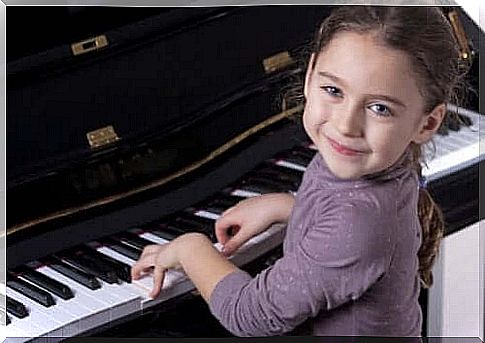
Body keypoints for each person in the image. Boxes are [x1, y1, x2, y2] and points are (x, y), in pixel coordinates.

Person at [131, 6, 470, 337]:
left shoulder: (360, 218)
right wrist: (285, 206)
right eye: (334, 90)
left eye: (380, 108)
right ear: (310, 76)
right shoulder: (372, 165)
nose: (345, 124)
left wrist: (191, 248)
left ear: (427, 123)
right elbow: (346, 221)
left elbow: (251, 315)